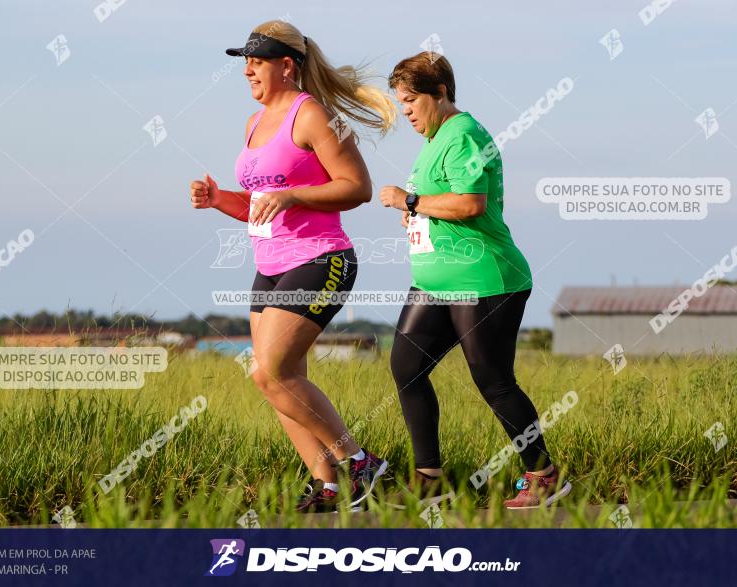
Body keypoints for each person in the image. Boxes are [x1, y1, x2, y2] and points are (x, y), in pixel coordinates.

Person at [190, 20, 395, 512]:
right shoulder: (254, 123)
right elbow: (261, 205)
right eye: (244, 62)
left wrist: (292, 194)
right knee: (279, 379)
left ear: (287, 65)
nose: (247, 71)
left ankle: (361, 463)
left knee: (271, 371)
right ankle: (329, 484)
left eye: (256, 61)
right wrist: (221, 199)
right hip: (270, 265)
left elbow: (358, 187)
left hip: (321, 260)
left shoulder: (316, 116)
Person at [380, 52, 571, 509]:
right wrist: (416, 213)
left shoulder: (464, 134)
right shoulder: (433, 138)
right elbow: (436, 204)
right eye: (400, 101)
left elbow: (470, 204)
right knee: (407, 369)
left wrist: (409, 200)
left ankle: (543, 475)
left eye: (410, 100)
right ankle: (429, 479)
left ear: (440, 92)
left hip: (484, 277)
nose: (404, 110)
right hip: (435, 281)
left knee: (493, 380)